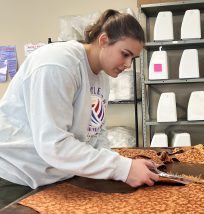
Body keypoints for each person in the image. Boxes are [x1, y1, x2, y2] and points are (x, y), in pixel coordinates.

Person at [0, 9, 159, 208]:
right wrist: (122, 168)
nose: (127, 64)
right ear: (103, 40)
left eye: (133, 59)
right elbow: (54, 144)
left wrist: (119, 165)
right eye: (125, 54)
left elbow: (96, 133)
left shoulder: (102, 77)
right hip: (17, 176)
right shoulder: (58, 64)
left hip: (56, 176)